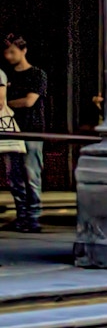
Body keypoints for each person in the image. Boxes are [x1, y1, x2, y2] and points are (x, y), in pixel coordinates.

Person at [4, 35, 47, 233]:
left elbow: (30, 101)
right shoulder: (7, 76)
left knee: (31, 173)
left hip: (31, 129)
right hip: (10, 130)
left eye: (12, 51)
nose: (8, 56)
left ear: (24, 50)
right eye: (6, 52)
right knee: (14, 175)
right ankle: (22, 215)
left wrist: (6, 105)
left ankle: (33, 217)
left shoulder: (37, 74)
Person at [0, 67, 31, 233]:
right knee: (13, 174)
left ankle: (23, 216)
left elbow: (0, 102)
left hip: (4, 128)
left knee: (14, 175)